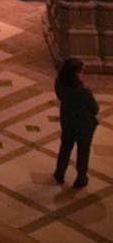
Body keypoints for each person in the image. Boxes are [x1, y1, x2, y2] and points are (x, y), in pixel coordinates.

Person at [54, 58, 99, 188]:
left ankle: (59, 172)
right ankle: (81, 178)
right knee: (83, 151)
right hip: (83, 124)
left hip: (67, 120)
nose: (82, 74)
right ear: (75, 73)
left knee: (65, 146)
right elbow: (95, 108)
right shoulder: (83, 91)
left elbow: (61, 97)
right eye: (81, 71)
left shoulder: (59, 83)